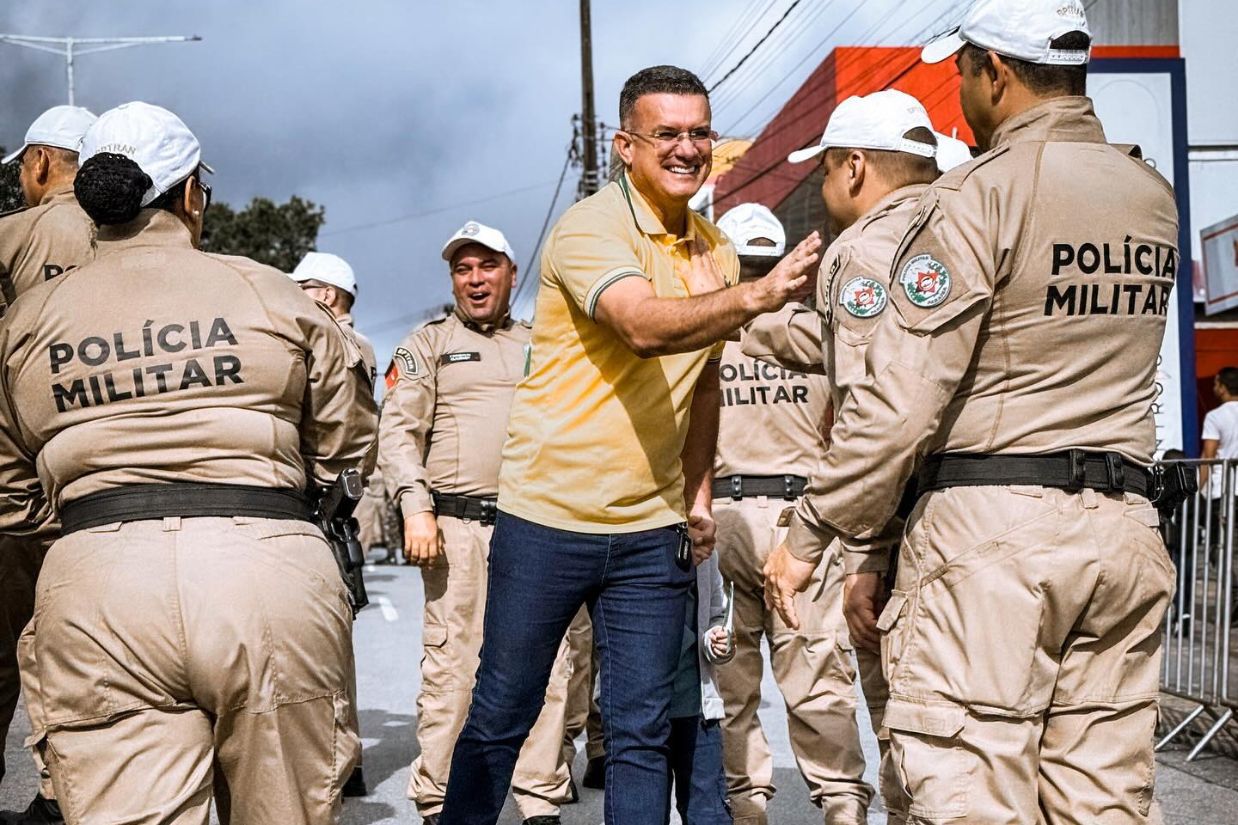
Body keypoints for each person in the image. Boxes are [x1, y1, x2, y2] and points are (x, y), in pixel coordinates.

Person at [764, 1, 1180, 821]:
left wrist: (809, 534)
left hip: (993, 542)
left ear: (994, 72)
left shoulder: (974, 197)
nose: (958, 88)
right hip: (1125, 531)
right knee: (1104, 800)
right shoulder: (1148, 195)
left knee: (969, 795)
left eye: (960, 69)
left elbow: (898, 405)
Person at [438, 65, 820, 825]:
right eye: (666, 133)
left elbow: (703, 386)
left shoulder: (715, 248)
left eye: (700, 132)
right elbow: (642, 326)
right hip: (548, 519)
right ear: (624, 145)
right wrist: (756, 294)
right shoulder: (590, 229)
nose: (687, 148)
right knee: (503, 711)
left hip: (651, 532)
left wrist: (698, 497)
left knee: (641, 730)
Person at [0, 101, 377, 823]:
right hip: (265, 571)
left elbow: (11, 487)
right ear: (192, 196)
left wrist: (81, 534)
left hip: (96, 588)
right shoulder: (273, 292)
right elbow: (347, 446)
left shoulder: (26, 322)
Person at [737, 92, 971, 822]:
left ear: (856, 166)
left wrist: (817, 540)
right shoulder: (974, 228)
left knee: (916, 720)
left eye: (828, 168)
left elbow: (880, 413)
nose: (825, 184)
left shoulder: (869, 249)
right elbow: (826, 345)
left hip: (915, 522)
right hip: (1002, 514)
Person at [378, 220, 576, 825]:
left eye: (487, 266)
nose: (475, 279)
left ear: (512, 273)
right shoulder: (427, 344)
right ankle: (439, 800)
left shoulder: (544, 343)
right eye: (462, 269)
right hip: (456, 531)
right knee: (454, 670)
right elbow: (398, 432)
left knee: (547, 668)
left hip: (537, 527)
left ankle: (540, 799)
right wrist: (416, 507)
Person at [710, 203, 874, 825]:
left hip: (724, 516)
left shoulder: (712, 330)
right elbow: (850, 433)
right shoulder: (818, 334)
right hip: (802, 520)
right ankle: (842, 801)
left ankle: (746, 800)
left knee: (730, 680)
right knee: (817, 674)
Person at [0, 104, 96, 825]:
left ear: (38, 163)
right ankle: (71, 795)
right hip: (104, 494)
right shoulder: (135, 236)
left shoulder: (11, 235)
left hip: (14, 499)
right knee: (92, 662)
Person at [287, 249, 378, 799]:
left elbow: (345, 441)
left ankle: (341, 760)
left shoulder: (340, 342)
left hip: (316, 505)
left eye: (300, 290)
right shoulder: (342, 343)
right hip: (322, 503)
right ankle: (341, 757)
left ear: (326, 295)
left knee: (324, 641)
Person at [665, 551, 734, 824]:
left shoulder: (704, 553)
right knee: (643, 809)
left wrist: (718, 638)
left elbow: (717, 613)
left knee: (708, 812)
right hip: (643, 715)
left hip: (697, 708)